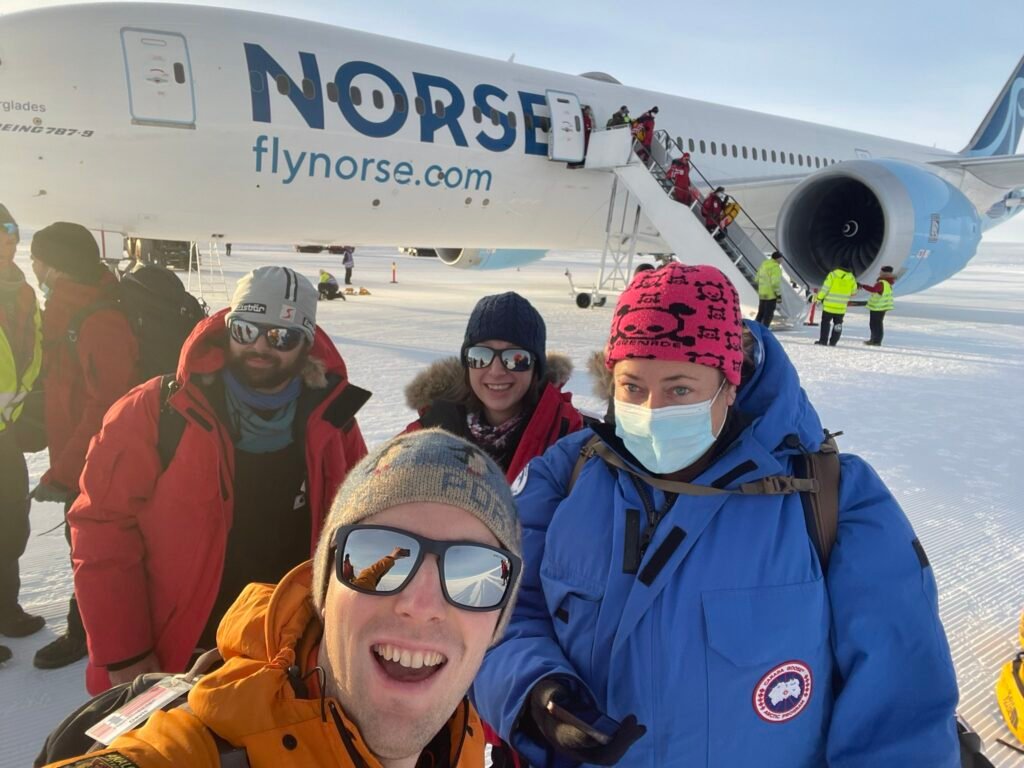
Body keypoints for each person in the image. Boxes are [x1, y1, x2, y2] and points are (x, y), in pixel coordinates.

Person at [473, 262, 960, 767]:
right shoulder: (565, 476)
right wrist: (533, 689)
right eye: (633, 387)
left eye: (680, 389)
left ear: (730, 385)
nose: (653, 409)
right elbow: (494, 609)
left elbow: (902, 704)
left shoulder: (831, 497)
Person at [42, 429, 525, 768]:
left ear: (497, 622)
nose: (420, 605)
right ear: (323, 589)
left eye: (473, 574)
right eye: (377, 559)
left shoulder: (459, 741)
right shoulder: (195, 750)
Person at [67, 266, 370, 695]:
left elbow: (359, 524)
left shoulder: (333, 418)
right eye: (246, 330)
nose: (261, 347)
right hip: (179, 656)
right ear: (228, 328)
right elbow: (100, 527)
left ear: (305, 343)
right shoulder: (157, 411)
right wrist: (126, 654)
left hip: (287, 649)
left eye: (281, 337)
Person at [30, 222, 140, 671]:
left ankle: (88, 634)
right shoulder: (64, 311)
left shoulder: (98, 319)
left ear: (53, 266)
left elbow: (106, 408)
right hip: (75, 455)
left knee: (93, 548)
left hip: (98, 462)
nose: (31, 264)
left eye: (37, 257)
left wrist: (65, 471)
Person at [403, 291, 582, 482]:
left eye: (515, 358)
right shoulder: (428, 431)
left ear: (535, 368)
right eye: (481, 355)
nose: (496, 371)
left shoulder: (568, 441)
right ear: (467, 364)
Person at [0, 204, 45, 665]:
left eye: (11, 230)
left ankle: (5, 610)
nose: (9, 239)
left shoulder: (22, 293)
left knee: (10, 524)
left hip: (4, 434)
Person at [814, 260, 858, 346]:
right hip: (841, 307)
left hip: (829, 306)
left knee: (825, 323)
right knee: (838, 324)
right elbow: (854, 292)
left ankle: (823, 340)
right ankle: (833, 341)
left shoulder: (833, 275)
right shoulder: (852, 278)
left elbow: (825, 288)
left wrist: (819, 298)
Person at [860, 265, 896, 346]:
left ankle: (876, 341)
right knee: (877, 324)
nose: (879, 273)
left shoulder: (882, 283)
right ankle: (874, 340)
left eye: (881, 271)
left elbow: (874, 290)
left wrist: (863, 286)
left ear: (884, 273)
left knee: (875, 324)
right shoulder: (888, 283)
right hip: (882, 307)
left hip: (877, 307)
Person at [755, 250, 784, 327]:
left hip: (762, 293)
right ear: (777, 258)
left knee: (760, 313)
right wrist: (778, 295)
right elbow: (775, 283)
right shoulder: (775, 267)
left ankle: (755, 329)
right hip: (771, 295)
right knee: (768, 315)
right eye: (781, 258)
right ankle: (765, 330)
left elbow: (757, 278)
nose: (782, 260)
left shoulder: (764, 264)